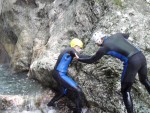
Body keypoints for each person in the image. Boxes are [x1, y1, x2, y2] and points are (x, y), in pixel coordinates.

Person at [77, 31, 150, 113]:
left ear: (99, 41)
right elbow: (127, 35)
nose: (97, 45)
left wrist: (79, 58)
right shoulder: (117, 35)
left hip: (132, 61)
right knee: (144, 80)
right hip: (141, 56)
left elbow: (91, 60)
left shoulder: (103, 48)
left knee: (125, 91)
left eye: (96, 43)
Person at [47, 38, 85, 113]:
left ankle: (50, 104)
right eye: (80, 48)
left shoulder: (67, 51)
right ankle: (78, 111)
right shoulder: (70, 49)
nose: (80, 49)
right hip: (59, 74)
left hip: (57, 73)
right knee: (78, 90)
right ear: (76, 45)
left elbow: (77, 54)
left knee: (62, 92)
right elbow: (75, 53)